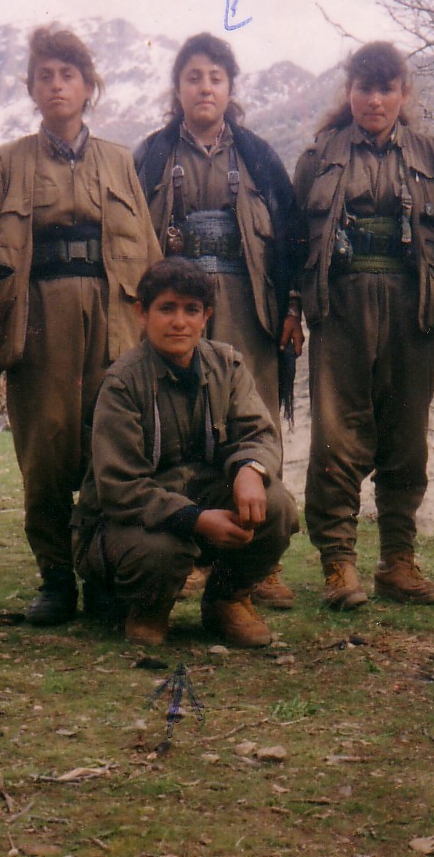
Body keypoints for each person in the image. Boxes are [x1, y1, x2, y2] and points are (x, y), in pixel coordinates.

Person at [0, 26, 160, 626]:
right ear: (31, 88)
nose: (56, 86)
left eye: (68, 75)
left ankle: (102, 575)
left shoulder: (120, 161)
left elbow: (149, 255)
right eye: (44, 76)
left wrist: (156, 333)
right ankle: (54, 581)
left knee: (110, 450)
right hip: (37, 322)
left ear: (88, 86)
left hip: (113, 322)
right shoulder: (9, 162)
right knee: (44, 453)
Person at [285, 42, 434, 610]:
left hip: (412, 310)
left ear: (403, 93)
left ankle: (397, 561)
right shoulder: (318, 157)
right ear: (350, 92)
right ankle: (339, 564)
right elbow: (293, 241)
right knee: (336, 438)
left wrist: (430, 283)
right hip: (340, 308)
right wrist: (297, 305)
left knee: (406, 438)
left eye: (386, 88)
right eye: (364, 88)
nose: (375, 100)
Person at [134, 32, 298, 611]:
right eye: (193, 77)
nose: (205, 87)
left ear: (231, 88)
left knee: (254, 421)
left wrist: (291, 309)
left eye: (216, 78)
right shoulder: (151, 156)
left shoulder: (258, 157)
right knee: (182, 423)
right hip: (180, 313)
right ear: (177, 87)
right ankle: (192, 551)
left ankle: (261, 565)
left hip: (249, 306)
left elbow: (290, 239)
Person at [76, 258, 296, 648]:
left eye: (191, 310)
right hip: (129, 523)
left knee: (276, 505)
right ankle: (146, 607)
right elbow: (120, 488)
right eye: (167, 308)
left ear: (206, 316)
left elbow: (258, 433)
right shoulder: (122, 383)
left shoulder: (227, 366)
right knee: (163, 549)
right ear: (142, 313)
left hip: (201, 504)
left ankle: (227, 599)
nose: (179, 322)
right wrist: (196, 519)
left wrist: (250, 469)